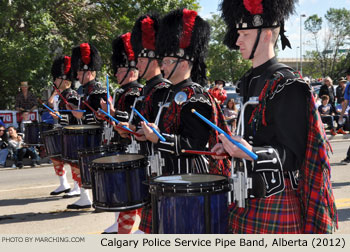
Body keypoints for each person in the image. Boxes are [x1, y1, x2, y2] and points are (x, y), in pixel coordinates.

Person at [215, 0, 337, 233]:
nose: (237, 40)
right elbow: (254, 136)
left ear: (266, 34)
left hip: (276, 202)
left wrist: (250, 152)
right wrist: (233, 147)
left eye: (245, 34)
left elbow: (293, 156)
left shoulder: (288, 84)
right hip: (243, 201)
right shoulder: (248, 81)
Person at [141, 8, 231, 233]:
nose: (162, 66)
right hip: (167, 177)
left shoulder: (197, 97)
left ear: (183, 62)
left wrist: (158, 138)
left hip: (190, 179)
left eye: (167, 61)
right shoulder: (165, 93)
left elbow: (195, 145)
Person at [130, 13, 172, 234]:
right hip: (149, 163)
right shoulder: (146, 89)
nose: (136, 64)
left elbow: (165, 130)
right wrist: (133, 130)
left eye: (141, 60)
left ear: (154, 61)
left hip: (162, 165)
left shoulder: (163, 89)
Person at [99, 32, 143, 234]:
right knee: (121, 189)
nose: (116, 74)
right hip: (118, 144)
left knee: (129, 191)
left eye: (120, 69)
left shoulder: (136, 92)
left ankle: (126, 229)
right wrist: (106, 115)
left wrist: (114, 113)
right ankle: (120, 223)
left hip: (130, 147)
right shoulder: (121, 92)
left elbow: (134, 117)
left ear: (131, 71)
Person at [68, 43, 107, 210]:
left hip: (96, 137)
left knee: (94, 171)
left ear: (89, 72)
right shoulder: (83, 90)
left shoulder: (97, 90)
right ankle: (86, 197)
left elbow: (102, 117)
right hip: (85, 136)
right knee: (82, 168)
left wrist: (82, 115)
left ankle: (98, 200)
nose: (77, 75)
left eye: (79, 72)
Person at [46, 55, 81, 197]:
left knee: (73, 162)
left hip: (72, 132)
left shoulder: (71, 94)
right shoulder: (60, 95)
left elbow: (73, 115)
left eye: (57, 78)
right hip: (63, 130)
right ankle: (63, 183)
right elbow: (51, 103)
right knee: (56, 157)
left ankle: (78, 187)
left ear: (65, 80)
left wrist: (60, 116)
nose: (54, 81)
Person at [339, 68, 350, 163]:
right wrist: (341, 115)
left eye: (347, 75)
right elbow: (346, 102)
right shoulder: (348, 86)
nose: (347, 77)